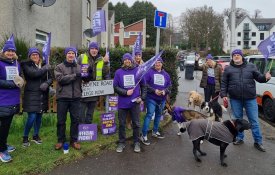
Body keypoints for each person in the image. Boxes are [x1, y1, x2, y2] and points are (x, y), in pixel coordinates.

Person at [220, 49, 271, 152]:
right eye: (234, 55)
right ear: (232, 57)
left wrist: (266, 78)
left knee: (254, 121)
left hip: (250, 99)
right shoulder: (228, 69)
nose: (236, 56)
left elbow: (259, 78)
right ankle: (239, 138)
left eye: (238, 55)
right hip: (235, 99)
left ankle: (258, 141)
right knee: (237, 120)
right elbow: (224, 83)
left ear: (242, 56)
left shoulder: (251, 66)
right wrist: (224, 94)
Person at [113, 53, 146, 153]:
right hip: (122, 103)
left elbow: (144, 86)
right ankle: (122, 142)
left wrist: (142, 97)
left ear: (131, 60)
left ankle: (136, 142)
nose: (127, 61)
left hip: (135, 102)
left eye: (128, 59)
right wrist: (125, 92)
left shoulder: (138, 71)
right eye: (125, 59)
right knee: (122, 124)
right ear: (123, 61)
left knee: (136, 123)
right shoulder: (118, 72)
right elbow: (115, 87)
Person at [21, 48, 53, 147]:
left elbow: (51, 78)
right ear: (29, 56)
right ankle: (25, 137)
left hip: (42, 94)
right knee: (32, 116)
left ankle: (35, 135)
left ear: (39, 56)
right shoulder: (26, 64)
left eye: (37, 54)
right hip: (31, 93)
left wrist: (47, 83)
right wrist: (45, 68)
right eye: (33, 55)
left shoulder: (44, 65)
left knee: (39, 116)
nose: (35, 56)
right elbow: (33, 74)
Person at [0, 41, 24, 163]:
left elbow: (18, 76)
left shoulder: (16, 63)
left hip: (13, 98)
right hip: (2, 99)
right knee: (3, 126)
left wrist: (21, 81)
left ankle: (3, 143)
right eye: (8, 50)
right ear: (4, 51)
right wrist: (11, 84)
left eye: (12, 51)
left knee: (7, 124)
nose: (10, 53)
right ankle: (2, 150)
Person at [54, 47, 82, 150]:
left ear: (75, 55)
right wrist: (75, 75)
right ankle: (60, 140)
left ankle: (74, 140)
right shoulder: (59, 67)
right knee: (61, 121)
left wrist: (89, 73)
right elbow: (61, 79)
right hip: (63, 97)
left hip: (76, 98)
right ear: (66, 55)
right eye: (69, 53)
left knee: (75, 120)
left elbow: (86, 79)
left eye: (73, 53)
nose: (71, 55)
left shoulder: (79, 67)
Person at [140, 57, 172, 146]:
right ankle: (144, 135)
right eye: (156, 62)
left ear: (162, 64)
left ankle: (155, 131)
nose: (157, 64)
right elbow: (145, 85)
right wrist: (154, 90)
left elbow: (169, 86)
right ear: (154, 64)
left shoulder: (166, 75)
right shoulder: (149, 72)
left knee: (158, 115)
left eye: (159, 62)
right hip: (151, 98)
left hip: (162, 100)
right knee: (149, 115)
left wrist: (164, 91)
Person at [77, 42, 110, 124]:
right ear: (89, 49)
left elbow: (105, 73)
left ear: (98, 50)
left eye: (96, 49)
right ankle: (81, 129)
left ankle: (88, 128)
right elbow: (76, 70)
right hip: (83, 90)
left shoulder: (102, 59)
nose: (94, 50)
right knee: (81, 112)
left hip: (94, 91)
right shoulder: (81, 57)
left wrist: (106, 63)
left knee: (90, 113)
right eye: (92, 48)